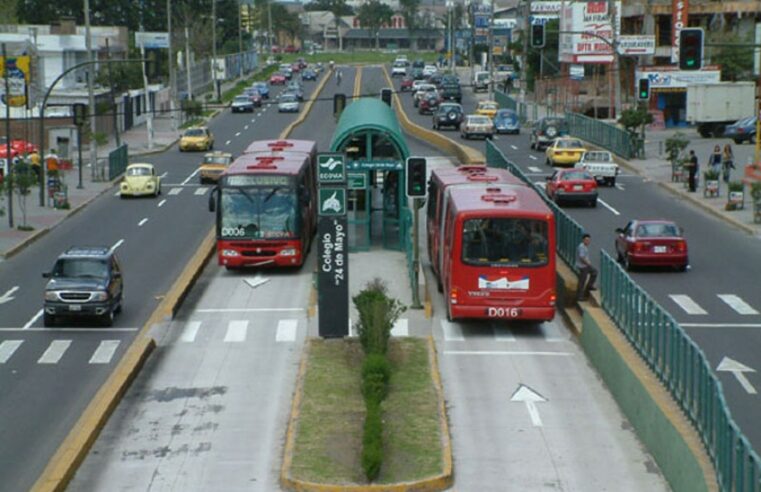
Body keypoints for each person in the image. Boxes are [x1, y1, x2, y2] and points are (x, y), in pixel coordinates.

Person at [575, 233, 597, 302]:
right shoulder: (581, 247)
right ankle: (580, 297)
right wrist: (588, 263)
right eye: (586, 240)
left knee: (594, 272)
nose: (588, 242)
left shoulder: (585, 246)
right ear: (583, 240)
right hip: (583, 266)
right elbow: (581, 257)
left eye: (589, 240)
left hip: (586, 265)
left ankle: (589, 286)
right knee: (582, 281)